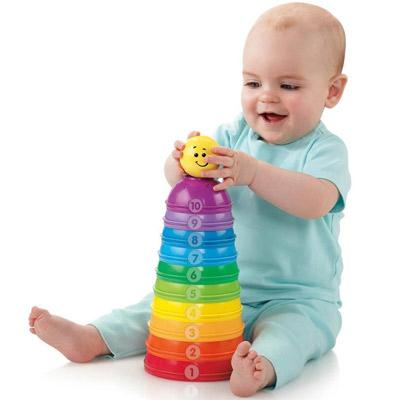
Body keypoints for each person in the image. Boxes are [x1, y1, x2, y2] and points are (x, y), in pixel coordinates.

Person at [28, 3, 351, 397]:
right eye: (253, 83)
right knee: (154, 310)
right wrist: (180, 165)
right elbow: (182, 184)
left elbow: (316, 200)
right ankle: (93, 338)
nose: (267, 97)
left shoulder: (324, 150)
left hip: (298, 297)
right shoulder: (232, 136)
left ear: (332, 91)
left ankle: (260, 366)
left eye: (288, 86)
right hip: (218, 287)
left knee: (292, 333)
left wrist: (253, 173)